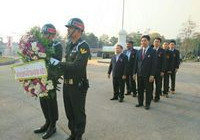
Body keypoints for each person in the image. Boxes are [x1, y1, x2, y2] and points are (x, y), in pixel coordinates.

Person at [59, 18, 90, 140]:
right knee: (69, 112)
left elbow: (77, 66)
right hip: (67, 85)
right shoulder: (69, 45)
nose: (68, 30)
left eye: (70, 28)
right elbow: (67, 65)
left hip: (77, 85)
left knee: (78, 112)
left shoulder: (83, 46)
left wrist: (59, 64)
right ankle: (72, 133)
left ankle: (78, 135)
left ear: (78, 30)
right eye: (68, 28)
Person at [34, 24, 63, 139]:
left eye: (47, 34)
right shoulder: (40, 45)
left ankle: (53, 125)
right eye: (44, 33)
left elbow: (57, 61)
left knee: (51, 102)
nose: (45, 36)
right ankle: (47, 122)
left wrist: (44, 57)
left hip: (51, 78)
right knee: (43, 101)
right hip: (40, 77)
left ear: (52, 34)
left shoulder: (57, 45)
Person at [135, 35, 157, 110]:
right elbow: (136, 63)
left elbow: (154, 64)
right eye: (142, 41)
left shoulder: (153, 51)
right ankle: (140, 102)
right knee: (140, 89)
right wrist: (134, 73)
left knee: (148, 90)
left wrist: (152, 75)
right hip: (139, 74)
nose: (143, 42)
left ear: (148, 41)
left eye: (145, 40)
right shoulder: (139, 51)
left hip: (148, 75)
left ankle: (147, 104)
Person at [152, 37, 166, 102]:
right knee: (150, 85)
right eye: (155, 41)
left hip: (159, 71)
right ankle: (150, 96)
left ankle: (157, 97)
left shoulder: (162, 51)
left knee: (158, 85)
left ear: (160, 43)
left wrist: (162, 71)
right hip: (151, 71)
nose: (156, 43)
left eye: (157, 42)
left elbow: (164, 62)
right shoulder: (150, 50)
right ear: (153, 42)